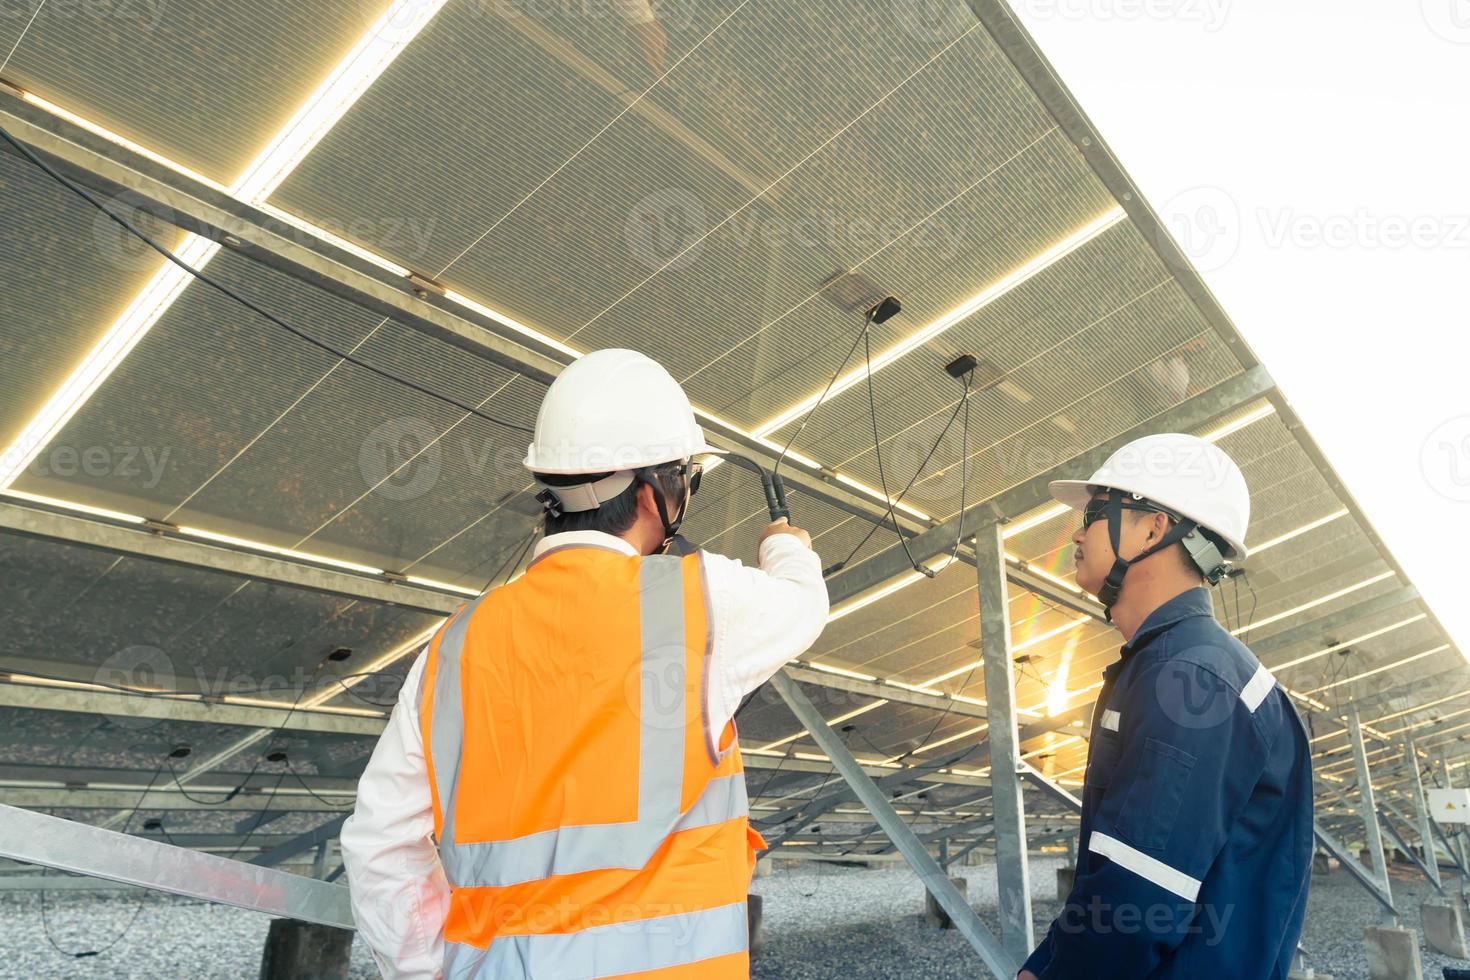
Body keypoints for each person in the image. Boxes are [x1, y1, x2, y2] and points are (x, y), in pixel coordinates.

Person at [341, 349, 829, 978]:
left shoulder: (454, 646)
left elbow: (379, 844)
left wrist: (432, 970)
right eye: (686, 480)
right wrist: (785, 546)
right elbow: (803, 606)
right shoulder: (700, 599)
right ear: (658, 493)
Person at [1018, 433, 1313, 979]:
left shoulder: (1190, 678)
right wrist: (1045, 964)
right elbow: (1113, 868)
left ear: (1155, 527)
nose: (1078, 532)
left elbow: (1139, 895)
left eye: (1097, 511)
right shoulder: (1176, 664)